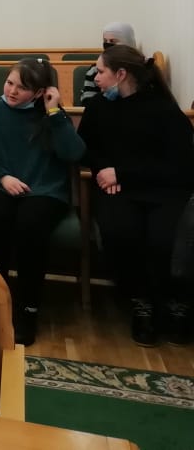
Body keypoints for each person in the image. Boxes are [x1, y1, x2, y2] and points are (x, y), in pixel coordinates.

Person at [77, 45, 194, 346]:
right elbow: (85, 149)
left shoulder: (163, 109)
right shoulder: (99, 107)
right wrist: (104, 170)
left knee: (164, 239)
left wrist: (122, 174)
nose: (95, 78)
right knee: (120, 233)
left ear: (121, 74)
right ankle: (142, 303)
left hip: (162, 190)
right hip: (118, 189)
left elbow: (179, 164)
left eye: (100, 72)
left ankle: (174, 304)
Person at [0, 58, 84, 345]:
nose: (12, 91)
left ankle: (28, 309)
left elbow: (74, 153)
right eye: (10, 83)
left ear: (40, 92)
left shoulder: (53, 116)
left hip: (44, 191)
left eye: (22, 87)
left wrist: (53, 112)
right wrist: (1, 176)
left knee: (31, 228)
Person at [80, 22, 137, 103]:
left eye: (113, 41)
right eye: (105, 41)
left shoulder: (138, 69)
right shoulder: (95, 70)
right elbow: (87, 101)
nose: (108, 44)